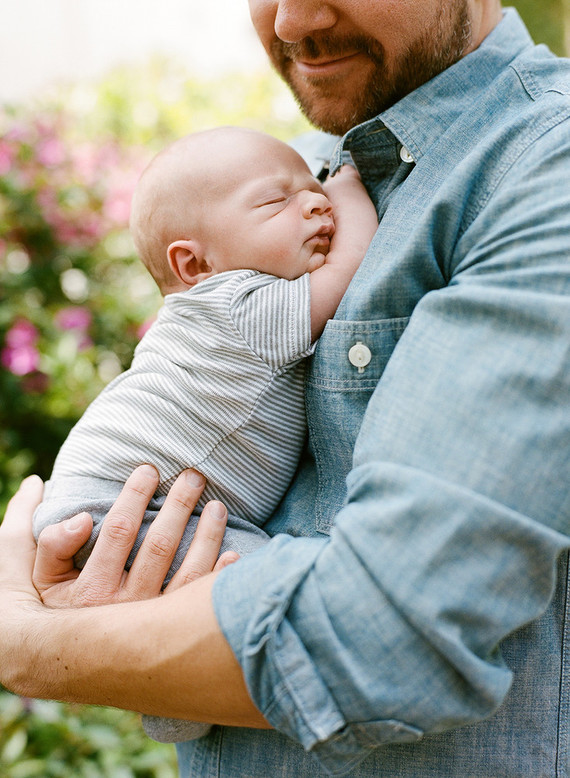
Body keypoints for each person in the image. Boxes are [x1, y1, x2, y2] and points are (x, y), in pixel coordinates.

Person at [1, 0, 570, 775]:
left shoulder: (544, 170)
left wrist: (33, 645)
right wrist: (118, 622)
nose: (291, 21)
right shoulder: (292, 170)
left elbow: (383, 638)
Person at [31, 125, 378, 742]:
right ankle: (172, 698)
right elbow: (353, 262)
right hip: (128, 503)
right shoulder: (240, 304)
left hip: (114, 498)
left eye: (314, 186)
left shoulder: (226, 302)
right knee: (293, 596)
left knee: (209, 594)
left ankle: (175, 703)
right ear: (195, 264)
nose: (315, 202)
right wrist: (348, 180)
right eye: (278, 201)